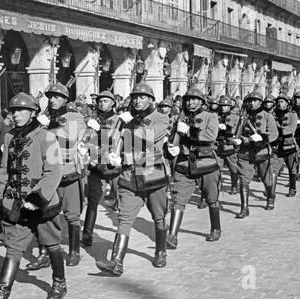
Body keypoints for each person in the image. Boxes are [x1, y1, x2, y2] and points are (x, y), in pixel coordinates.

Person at [0, 92, 65, 299]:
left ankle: (59, 283)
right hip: (16, 202)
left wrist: (36, 199)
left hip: (42, 203)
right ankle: (2, 292)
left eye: (20, 110)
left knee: (51, 244)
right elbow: (4, 170)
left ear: (33, 113)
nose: (15, 115)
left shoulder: (46, 136)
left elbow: (54, 171)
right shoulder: (9, 136)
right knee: (14, 248)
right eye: (12, 111)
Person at [95, 83, 170, 276]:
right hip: (129, 177)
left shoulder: (161, 118)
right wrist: (113, 154)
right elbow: (113, 139)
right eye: (135, 97)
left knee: (158, 216)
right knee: (124, 219)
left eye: (143, 97)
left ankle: (160, 251)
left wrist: (130, 125)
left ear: (151, 100)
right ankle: (116, 262)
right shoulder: (124, 119)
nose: (138, 101)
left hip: (153, 177)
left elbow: (150, 136)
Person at [26, 83, 87, 270]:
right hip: (47, 174)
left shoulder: (74, 117)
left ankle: (74, 251)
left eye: (57, 97)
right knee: (43, 213)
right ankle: (44, 253)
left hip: (68, 172)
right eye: (50, 96)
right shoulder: (43, 117)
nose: (53, 100)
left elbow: (72, 138)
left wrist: (50, 124)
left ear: (66, 100)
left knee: (72, 215)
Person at [164, 88, 221, 247]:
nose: (191, 102)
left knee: (211, 198)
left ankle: (215, 228)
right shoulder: (179, 118)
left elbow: (210, 136)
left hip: (206, 163)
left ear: (202, 102)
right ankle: (172, 236)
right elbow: (172, 138)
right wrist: (170, 148)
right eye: (188, 99)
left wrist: (189, 131)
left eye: (195, 99)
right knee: (178, 200)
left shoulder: (211, 117)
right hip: (183, 165)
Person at [81, 90, 120, 247]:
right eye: (100, 101)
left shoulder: (118, 120)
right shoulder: (93, 120)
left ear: (113, 103)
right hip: (96, 164)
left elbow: (117, 139)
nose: (102, 103)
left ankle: (122, 234)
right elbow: (86, 139)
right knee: (93, 200)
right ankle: (87, 233)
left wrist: (100, 131)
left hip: (114, 164)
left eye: (105, 100)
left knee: (122, 200)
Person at [233, 91, 278, 218]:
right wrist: (238, 140)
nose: (252, 103)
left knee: (267, 179)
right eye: (250, 101)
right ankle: (244, 208)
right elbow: (237, 132)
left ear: (260, 102)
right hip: (245, 152)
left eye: (255, 101)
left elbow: (274, 134)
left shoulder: (267, 116)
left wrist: (262, 138)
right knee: (243, 180)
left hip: (261, 152)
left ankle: (270, 197)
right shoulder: (243, 116)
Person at [269, 93, 298, 197]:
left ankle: (292, 188)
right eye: (278, 102)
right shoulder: (273, 115)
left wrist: (278, 131)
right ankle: (271, 193)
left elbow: (291, 129)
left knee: (292, 169)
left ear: (287, 103)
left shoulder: (292, 114)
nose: (280, 104)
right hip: (277, 147)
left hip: (289, 146)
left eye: (282, 102)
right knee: (273, 169)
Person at [216, 95, 240, 195]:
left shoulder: (235, 117)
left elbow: (237, 130)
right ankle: (217, 187)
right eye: (221, 105)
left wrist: (226, 128)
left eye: (225, 106)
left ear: (230, 106)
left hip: (230, 145)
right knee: (217, 168)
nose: (223, 107)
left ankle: (234, 186)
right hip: (218, 145)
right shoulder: (216, 116)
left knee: (233, 168)